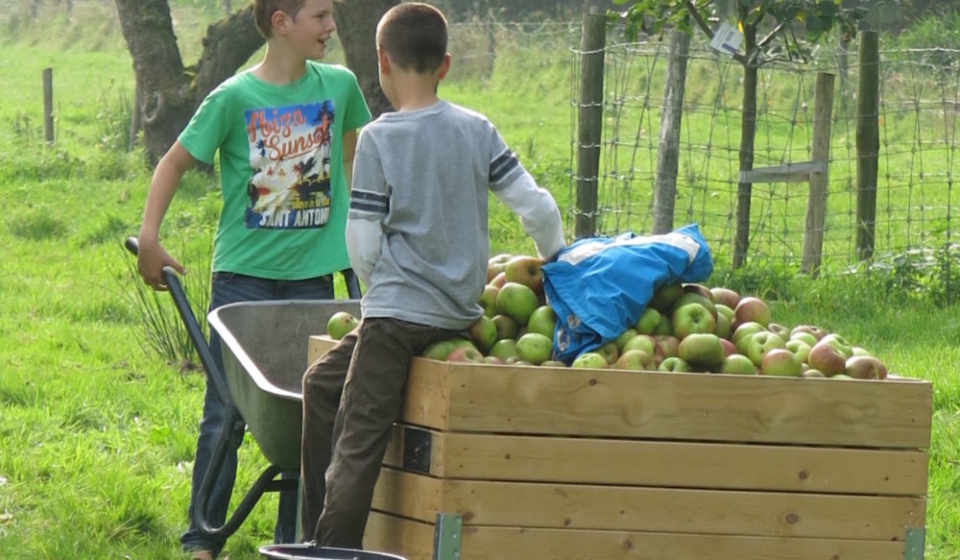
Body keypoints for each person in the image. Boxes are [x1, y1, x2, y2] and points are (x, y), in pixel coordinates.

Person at [299, 2, 566, 549]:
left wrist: (380, 293)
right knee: (322, 385)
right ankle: (311, 534)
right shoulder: (475, 129)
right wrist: (555, 260)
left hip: (395, 318)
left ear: (382, 62)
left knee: (357, 446)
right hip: (459, 314)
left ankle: (328, 552)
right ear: (445, 65)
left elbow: (363, 241)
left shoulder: (380, 138)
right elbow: (536, 207)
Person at [135, 0, 371, 558]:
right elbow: (172, 163)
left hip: (315, 280)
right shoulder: (233, 97)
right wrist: (149, 238)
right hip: (243, 279)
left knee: (306, 412)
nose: (331, 27)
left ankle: (295, 538)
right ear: (282, 23)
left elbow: (360, 167)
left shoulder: (339, 87)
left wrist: (369, 239)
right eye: (320, 16)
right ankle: (202, 537)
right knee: (227, 410)